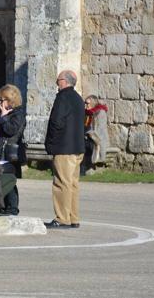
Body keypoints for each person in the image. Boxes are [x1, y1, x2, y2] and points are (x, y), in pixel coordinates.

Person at [44, 70, 85, 229]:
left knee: (61, 183)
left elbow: (56, 122)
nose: (56, 83)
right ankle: (73, 217)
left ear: (65, 81)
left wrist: (51, 143)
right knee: (72, 184)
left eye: (58, 80)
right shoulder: (78, 98)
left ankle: (62, 218)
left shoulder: (63, 98)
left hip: (64, 147)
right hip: (77, 147)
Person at [0, 84, 26, 215]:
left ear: (10, 100)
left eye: (1, 100)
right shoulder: (0, 114)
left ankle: (12, 208)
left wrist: (4, 116)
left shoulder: (18, 114)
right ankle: (1, 206)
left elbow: (11, 130)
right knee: (0, 179)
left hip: (9, 154)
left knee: (9, 180)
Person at [81, 95, 109, 175]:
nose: (86, 106)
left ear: (93, 104)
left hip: (97, 140)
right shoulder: (87, 113)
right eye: (85, 103)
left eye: (88, 104)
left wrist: (88, 132)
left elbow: (99, 130)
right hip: (88, 136)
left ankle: (87, 168)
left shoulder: (100, 113)